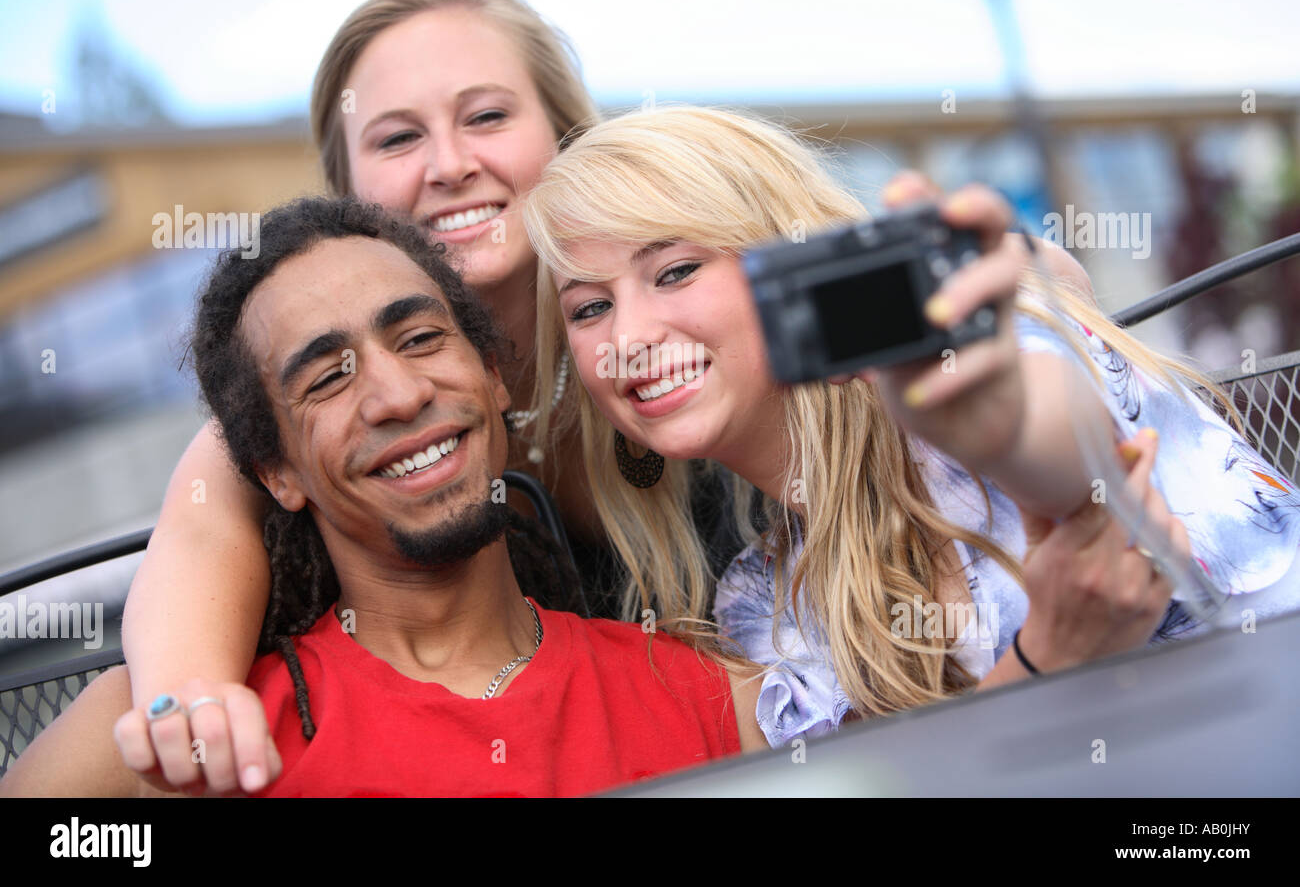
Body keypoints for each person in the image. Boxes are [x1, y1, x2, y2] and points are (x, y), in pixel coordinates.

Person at [520, 105, 1300, 746]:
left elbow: (1069, 442)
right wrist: (1041, 661)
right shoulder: (764, 607)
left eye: (675, 271)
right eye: (589, 308)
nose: (628, 337)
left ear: (782, 261)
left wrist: (994, 429)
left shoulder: (986, 345)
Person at [0, 197, 766, 798]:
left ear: (495, 377)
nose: (397, 395)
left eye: (421, 338)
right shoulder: (174, 743)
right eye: (328, 378)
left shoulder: (711, 697)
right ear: (276, 474)